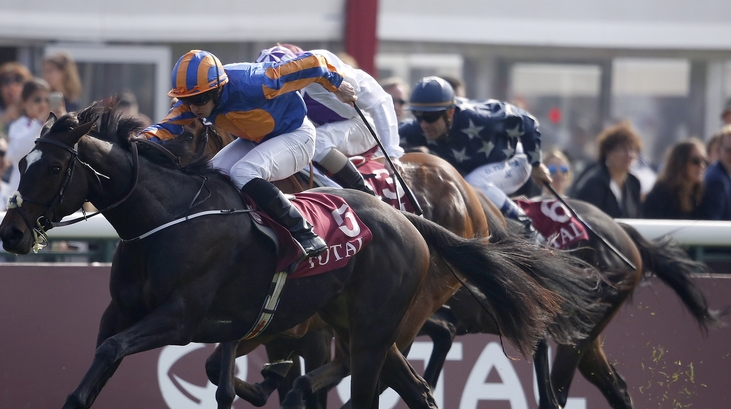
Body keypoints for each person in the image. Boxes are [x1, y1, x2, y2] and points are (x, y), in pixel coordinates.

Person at [138, 49, 356, 257]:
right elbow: (164, 128)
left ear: (217, 89)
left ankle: (304, 232)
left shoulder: (255, 82)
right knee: (209, 176)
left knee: (243, 172)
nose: (193, 108)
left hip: (297, 135)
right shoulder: (193, 102)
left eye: (200, 100)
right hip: (255, 139)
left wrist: (337, 85)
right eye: (187, 101)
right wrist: (136, 142)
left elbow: (314, 62)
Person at [399, 76, 550, 241]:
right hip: (481, 176)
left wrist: (536, 164)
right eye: (417, 116)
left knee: (473, 184)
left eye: (430, 117)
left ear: (450, 112)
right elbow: (386, 136)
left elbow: (528, 122)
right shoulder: (418, 128)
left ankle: (529, 230)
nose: (423, 124)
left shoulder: (480, 117)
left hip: (514, 161)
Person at [255, 44, 402, 194]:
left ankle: (364, 194)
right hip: (331, 128)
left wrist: (392, 153)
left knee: (313, 142)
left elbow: (380, 101)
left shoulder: (324, 64)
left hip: (364, 123)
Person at [572, 120, 642, 218]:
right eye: (622, 149)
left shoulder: (634, 183)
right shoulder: (594, 184)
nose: (629, 155)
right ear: (608, 152)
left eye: (633, 150)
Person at [642, 138, 708, 220]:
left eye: (705, 161)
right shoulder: (661, 194)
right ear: (680, 163)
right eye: (696, 161)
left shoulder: (700, 195)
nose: (702, 166)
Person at [6, 78, 53, 191]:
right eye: (37, 100)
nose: (43, 104)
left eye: (47, 100)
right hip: (22, 188)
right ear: (24, 102)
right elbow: (18, 152)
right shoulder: (18, 125)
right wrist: (39, 123)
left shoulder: (53, 126)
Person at [702, 125, 731, 220]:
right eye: (729, 150)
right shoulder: (716, 180)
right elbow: (713, 223)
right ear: (718, 151)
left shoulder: (724, 176)